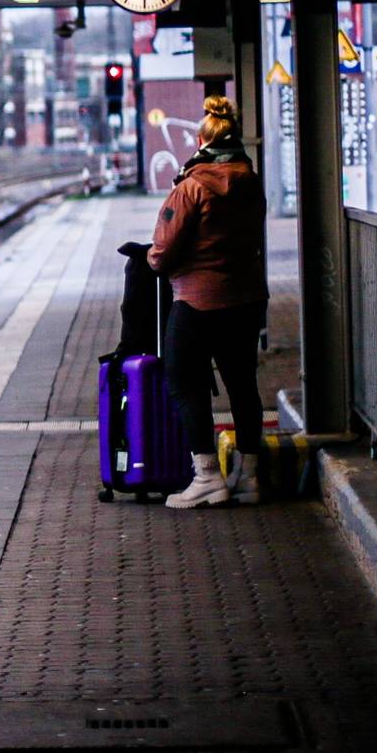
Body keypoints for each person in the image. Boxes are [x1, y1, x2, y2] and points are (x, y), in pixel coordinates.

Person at [145, 95, 269, 508]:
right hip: (247, 298)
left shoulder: (192, 187)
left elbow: (163, 251)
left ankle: (207, 477)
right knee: (242, 385)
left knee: (184, 383)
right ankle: (250, 477)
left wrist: (153, 259)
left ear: (201, 140)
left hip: (198, 301)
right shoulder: (250, 181)